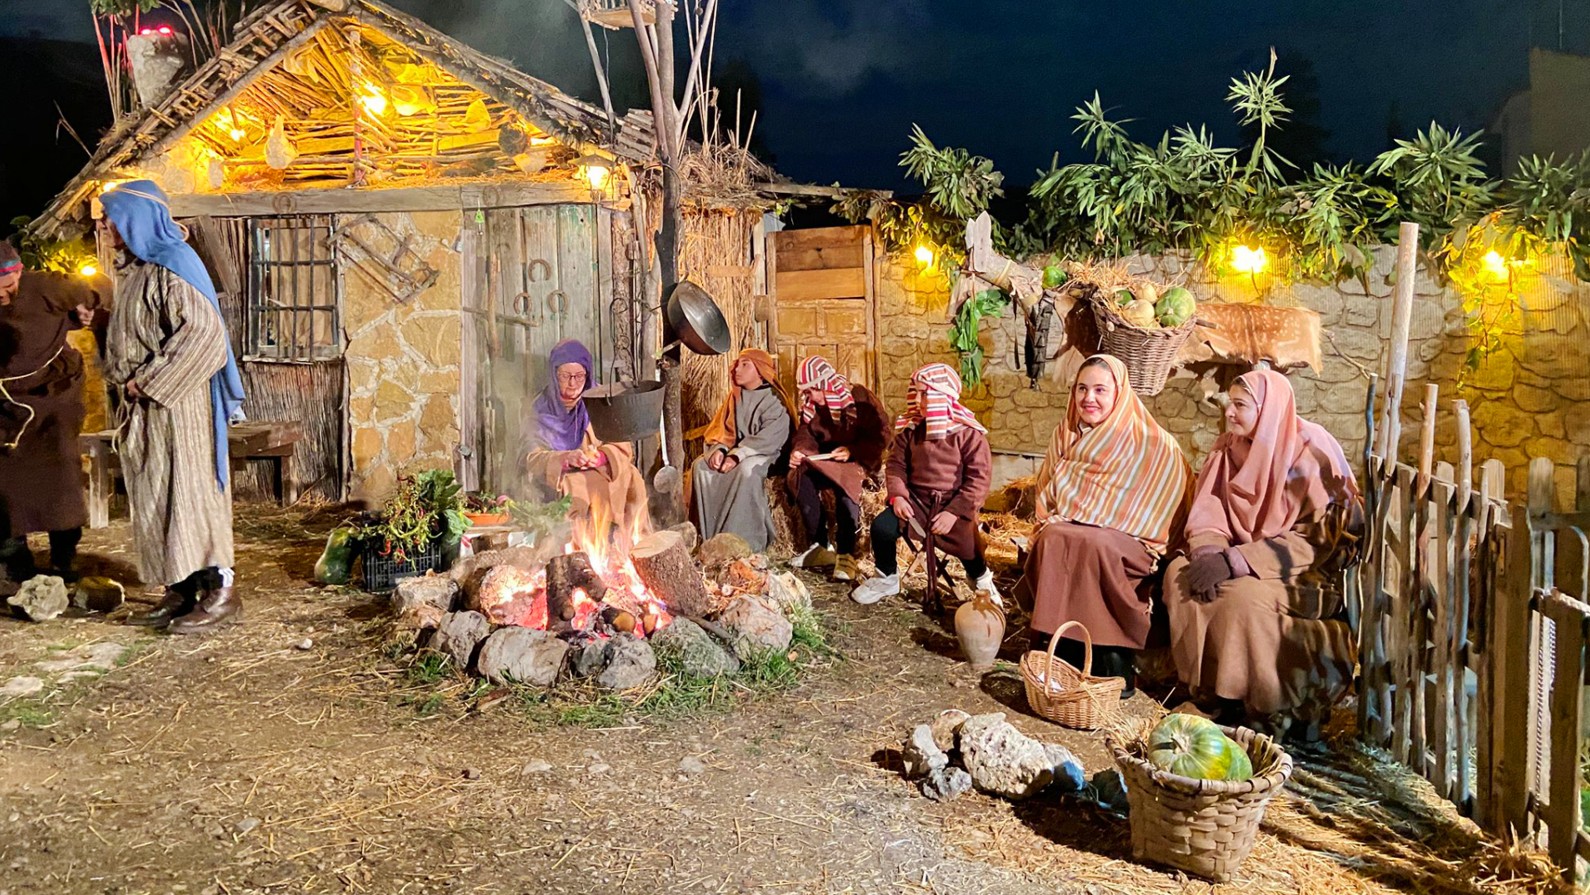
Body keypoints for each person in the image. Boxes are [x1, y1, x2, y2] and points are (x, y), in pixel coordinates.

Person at [1164, 369, 1362, 739]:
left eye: (1240, 405)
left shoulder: (1311, 450)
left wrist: (1235, 562)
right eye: (1229, 404)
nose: (1230, 413)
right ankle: (1209, 696)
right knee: (1180, 575)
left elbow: (1318, 539)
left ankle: (1262, 705)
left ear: (1268, 409)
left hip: (1301, 570)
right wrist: (1209, 551)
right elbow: (1209, 510)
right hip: (1237, 554)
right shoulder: (1228, 447)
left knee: (1244, 599)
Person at [98, 181, 246, 635]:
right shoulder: (139, 270)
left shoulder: (175, 265)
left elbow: (203, 336)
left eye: (113, 217)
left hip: (178, 407)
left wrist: (148, 381)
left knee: (192, 493)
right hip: (148, 412)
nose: (106, 225)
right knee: (159, 496)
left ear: (137, 221)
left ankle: (221, 591)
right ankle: (182, 588)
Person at [1019, 355, 1191, 695]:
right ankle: (1059, 656)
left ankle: (1113, 665)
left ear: (1120, 394)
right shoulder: (1065, 434)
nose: (1089, 398)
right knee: (1055, 537)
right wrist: (1070, 518)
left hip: (1133, 540)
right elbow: (1049, 497)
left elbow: (1165, 502)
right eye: (1082, 388)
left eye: (1100, 389)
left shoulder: (1152, 442)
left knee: (1095, 545)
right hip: (1071, 530)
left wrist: (1106, 521)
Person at [0, 240, 111, 584]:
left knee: (59, 477)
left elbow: (101, 286)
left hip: (53, 396)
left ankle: (65, 558)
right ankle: (16, 562)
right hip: (5, 404)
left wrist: (87, 309)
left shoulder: (46, 287)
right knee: (4, 486)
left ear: (17, 272)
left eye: (4, 287)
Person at [852, 363, 996, 606]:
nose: (917, 400)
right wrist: (898, 496)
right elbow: (896, 466)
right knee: (881, 528)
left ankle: (981, 579)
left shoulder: (970, 436)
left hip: (953, 506)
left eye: (925, 393)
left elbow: (977, 481)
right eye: (915, 392)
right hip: (916, 503)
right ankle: (887, 577)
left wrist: (954, 513)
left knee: (969, 544)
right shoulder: (910, 431)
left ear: (942, 397)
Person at [521, 338, 651, 544]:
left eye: (579, 376)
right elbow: (530, 457)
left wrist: (601, 457)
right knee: (573, 485)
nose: (573, 383)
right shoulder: (539, 408)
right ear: (554, 375)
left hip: (602, 470)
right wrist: (564, 459)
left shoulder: (599, 400)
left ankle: (630, 543)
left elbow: (623, 446)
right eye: (565, 376)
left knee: (632, 475)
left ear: (588, 374)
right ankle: (577, 547)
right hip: (563, 477)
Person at [786, 356, 889, 582]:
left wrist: (852, 450)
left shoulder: (859, 398)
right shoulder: (814, 407)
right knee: (800, 475)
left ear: (822, 387)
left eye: (810, 392)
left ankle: (846, 554)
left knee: (846, 486)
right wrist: (801, 450)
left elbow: (881, 436)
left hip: (858, 459)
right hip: (829, 461)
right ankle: (821, 545)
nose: (807, 397)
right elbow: (806, 433)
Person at [691, 348, 794, 552]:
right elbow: (724, 430)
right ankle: (709, 537)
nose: (737, 369)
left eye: (745, 364)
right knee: (700, 467)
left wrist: (738, 455)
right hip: (736, 452)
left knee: (746, 471)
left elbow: (772, 437)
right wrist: (719, 450)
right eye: (737, 364)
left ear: (760, 370)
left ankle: (744, 542)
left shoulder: (774, 400)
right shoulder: (735, 397)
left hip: (767, 454)